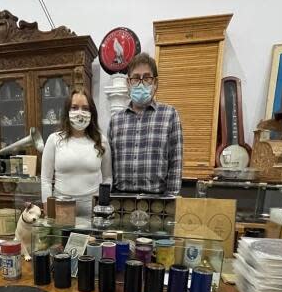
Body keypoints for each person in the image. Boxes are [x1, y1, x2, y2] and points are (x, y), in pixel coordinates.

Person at [108, 52, 183, 196]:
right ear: (128, 84)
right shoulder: (115, 121)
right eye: (135, 78)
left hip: (157, 201)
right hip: (121, 199)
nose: (141, 83)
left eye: (147, 78)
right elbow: (108, 166)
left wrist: (171, 200)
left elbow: (176, 162)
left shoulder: (170, 115)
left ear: (155, 83)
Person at [41, 88, 112, 218]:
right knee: (62, 238)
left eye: (85, 108)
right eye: (74, 107)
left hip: (93, 207)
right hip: (61, 206)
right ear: (67, 111)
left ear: (92, 112)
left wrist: (103, 205)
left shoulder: (102, 141)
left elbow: (108, 178)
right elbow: (45, 180)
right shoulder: (54, 140)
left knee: (91, 239)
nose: (80, 112)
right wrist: (48, 210)